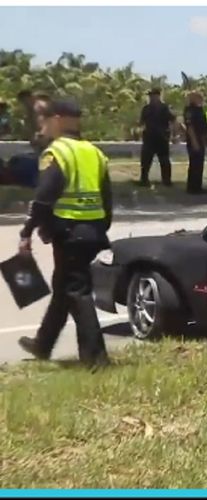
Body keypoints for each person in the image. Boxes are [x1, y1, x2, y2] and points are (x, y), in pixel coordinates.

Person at [16, 98, 113, 369]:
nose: (42, 127)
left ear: (57, 120)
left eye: (44, 121)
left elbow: (43, 198)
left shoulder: (58, 152)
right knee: (64, 288)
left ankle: (96, 359)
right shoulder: (94, 152)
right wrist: (99, 227)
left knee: (77, 291)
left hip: (70, 232)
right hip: (93, 231)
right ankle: (42, 344)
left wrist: (27, 232)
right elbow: (107, 199)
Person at [138, 88, 176, 187]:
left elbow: (173, 120)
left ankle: (166, 180)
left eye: (153, 95)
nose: (151, 98)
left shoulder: (165, 108)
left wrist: (173, 135)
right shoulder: (146, 108)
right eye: (150, 96)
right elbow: (141, 122)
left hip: (162, 137)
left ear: (158, 96)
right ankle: (144, 179)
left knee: (164, 160)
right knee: (146, 160)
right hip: (149, 137)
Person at [182, 91, 207, 194]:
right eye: (198, 97)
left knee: (199, 163)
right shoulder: (190, 110)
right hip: (194, 139)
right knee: (194, 163)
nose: (201, 99)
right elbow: (190, 127)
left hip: (200, 139)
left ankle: (198, 186)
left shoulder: (200, 110)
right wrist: (194, 141)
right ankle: (192, 187)